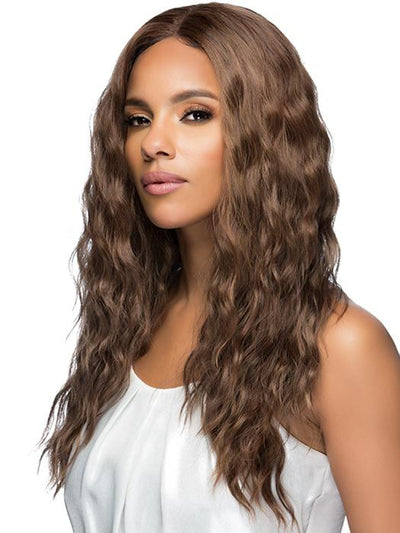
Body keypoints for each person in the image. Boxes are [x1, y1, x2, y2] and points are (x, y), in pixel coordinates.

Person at [38, 3, 400, 532]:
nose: (154, 144)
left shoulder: (340, 346)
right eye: (138, 119)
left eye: (195, 114)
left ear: (264, 131)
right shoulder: (128, 325)